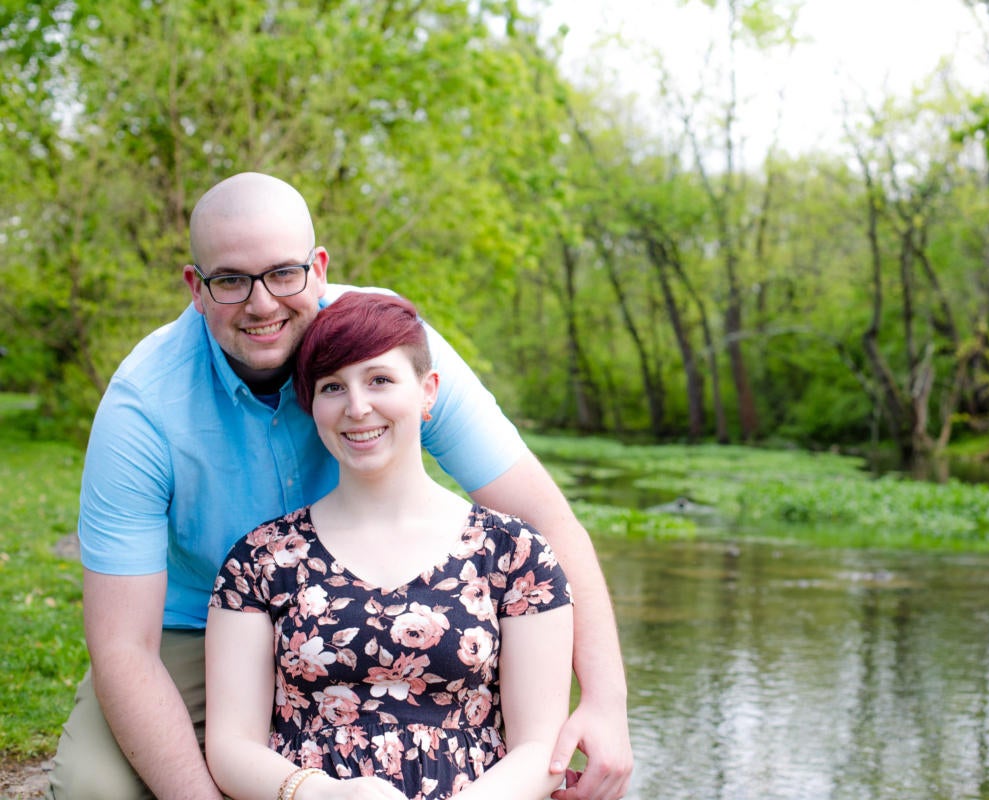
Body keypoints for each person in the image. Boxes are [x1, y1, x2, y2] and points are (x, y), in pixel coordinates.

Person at [48, 172, 631, 800]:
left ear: (318, 268)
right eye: (231, 280)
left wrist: (606, 700)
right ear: (196, 287)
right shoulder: (144, 405)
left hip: (378, 621)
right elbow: (122, 647)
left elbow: (547, 521)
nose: (262, 303)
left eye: (283, 273)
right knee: (95, 789)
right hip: (194, 628)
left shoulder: (384, 346)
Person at [205, 292, 574, 800]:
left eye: (379, 380)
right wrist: (324, 795)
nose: (358, 408)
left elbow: (540, 749)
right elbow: (229, 746)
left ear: (428, 392)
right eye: (333, 387)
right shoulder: (262, 560)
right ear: (312, 406)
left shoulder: (515, 554)